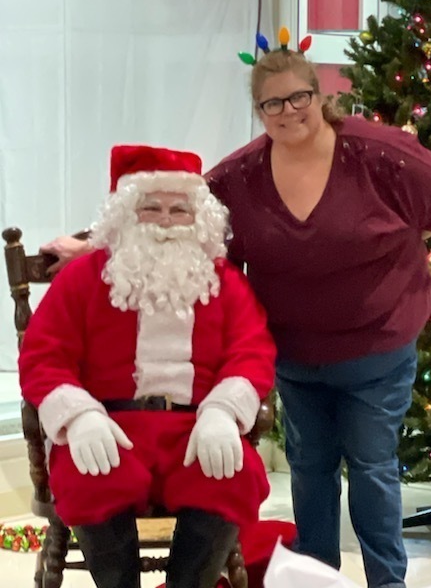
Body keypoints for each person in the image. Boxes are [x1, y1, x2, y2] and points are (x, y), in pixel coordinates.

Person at [40, 32, 431, 588]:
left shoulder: (376, 154)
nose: (289, 111)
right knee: (311, 471)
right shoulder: (239, 176)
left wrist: (390, 256)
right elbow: (175, 217)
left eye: (299, 98)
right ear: (259, 111)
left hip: (374, 351)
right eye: (273, 102)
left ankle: (387, 582)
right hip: (295, 358)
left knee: (371, 468)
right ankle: (314, 578)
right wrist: (92, 248)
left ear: (320, 96)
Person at [19, 144, 276, 588]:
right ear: (124, 214)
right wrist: (78, 417)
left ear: (198, 217)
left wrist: (223, 411)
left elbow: (252, 352)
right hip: (109, 427)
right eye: (150, 207)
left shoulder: (224, 282)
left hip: (195, 428)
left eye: (179, 209)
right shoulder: (82, 280)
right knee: (89, 478)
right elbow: (43, 356)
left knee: (233, 477)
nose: (165, 221)